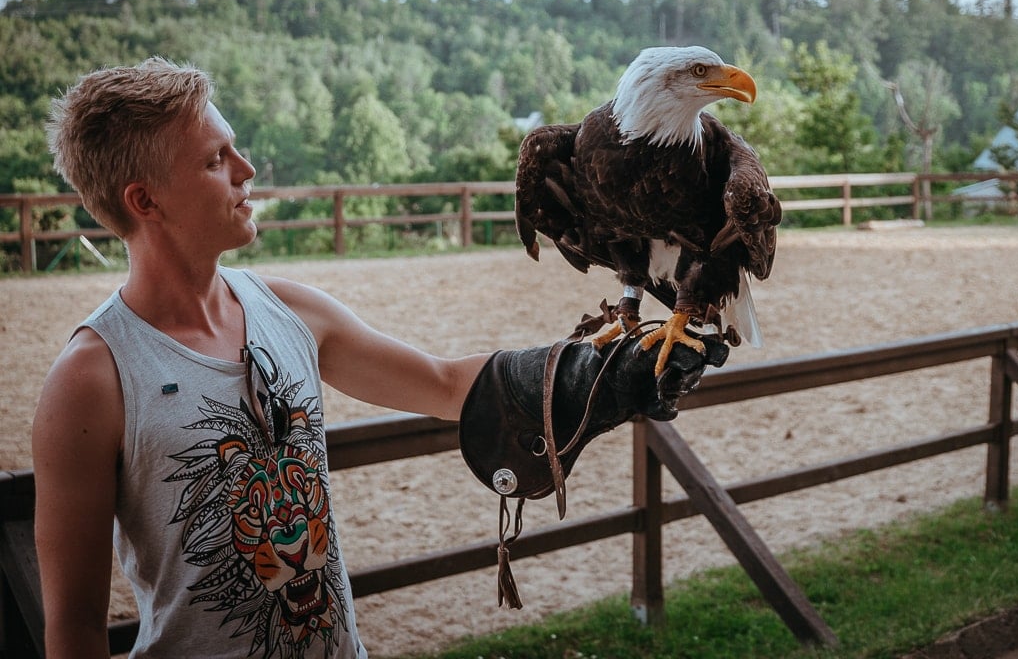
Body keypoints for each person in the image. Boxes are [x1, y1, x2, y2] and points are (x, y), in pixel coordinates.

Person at [33, 57, 722, 658]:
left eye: (234, 150)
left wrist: (590, 372)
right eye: (216, 162)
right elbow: (73, 624)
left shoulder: (291, 311)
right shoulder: (93, 378)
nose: (246, 172)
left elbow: (444, 383)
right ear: (144, 200)